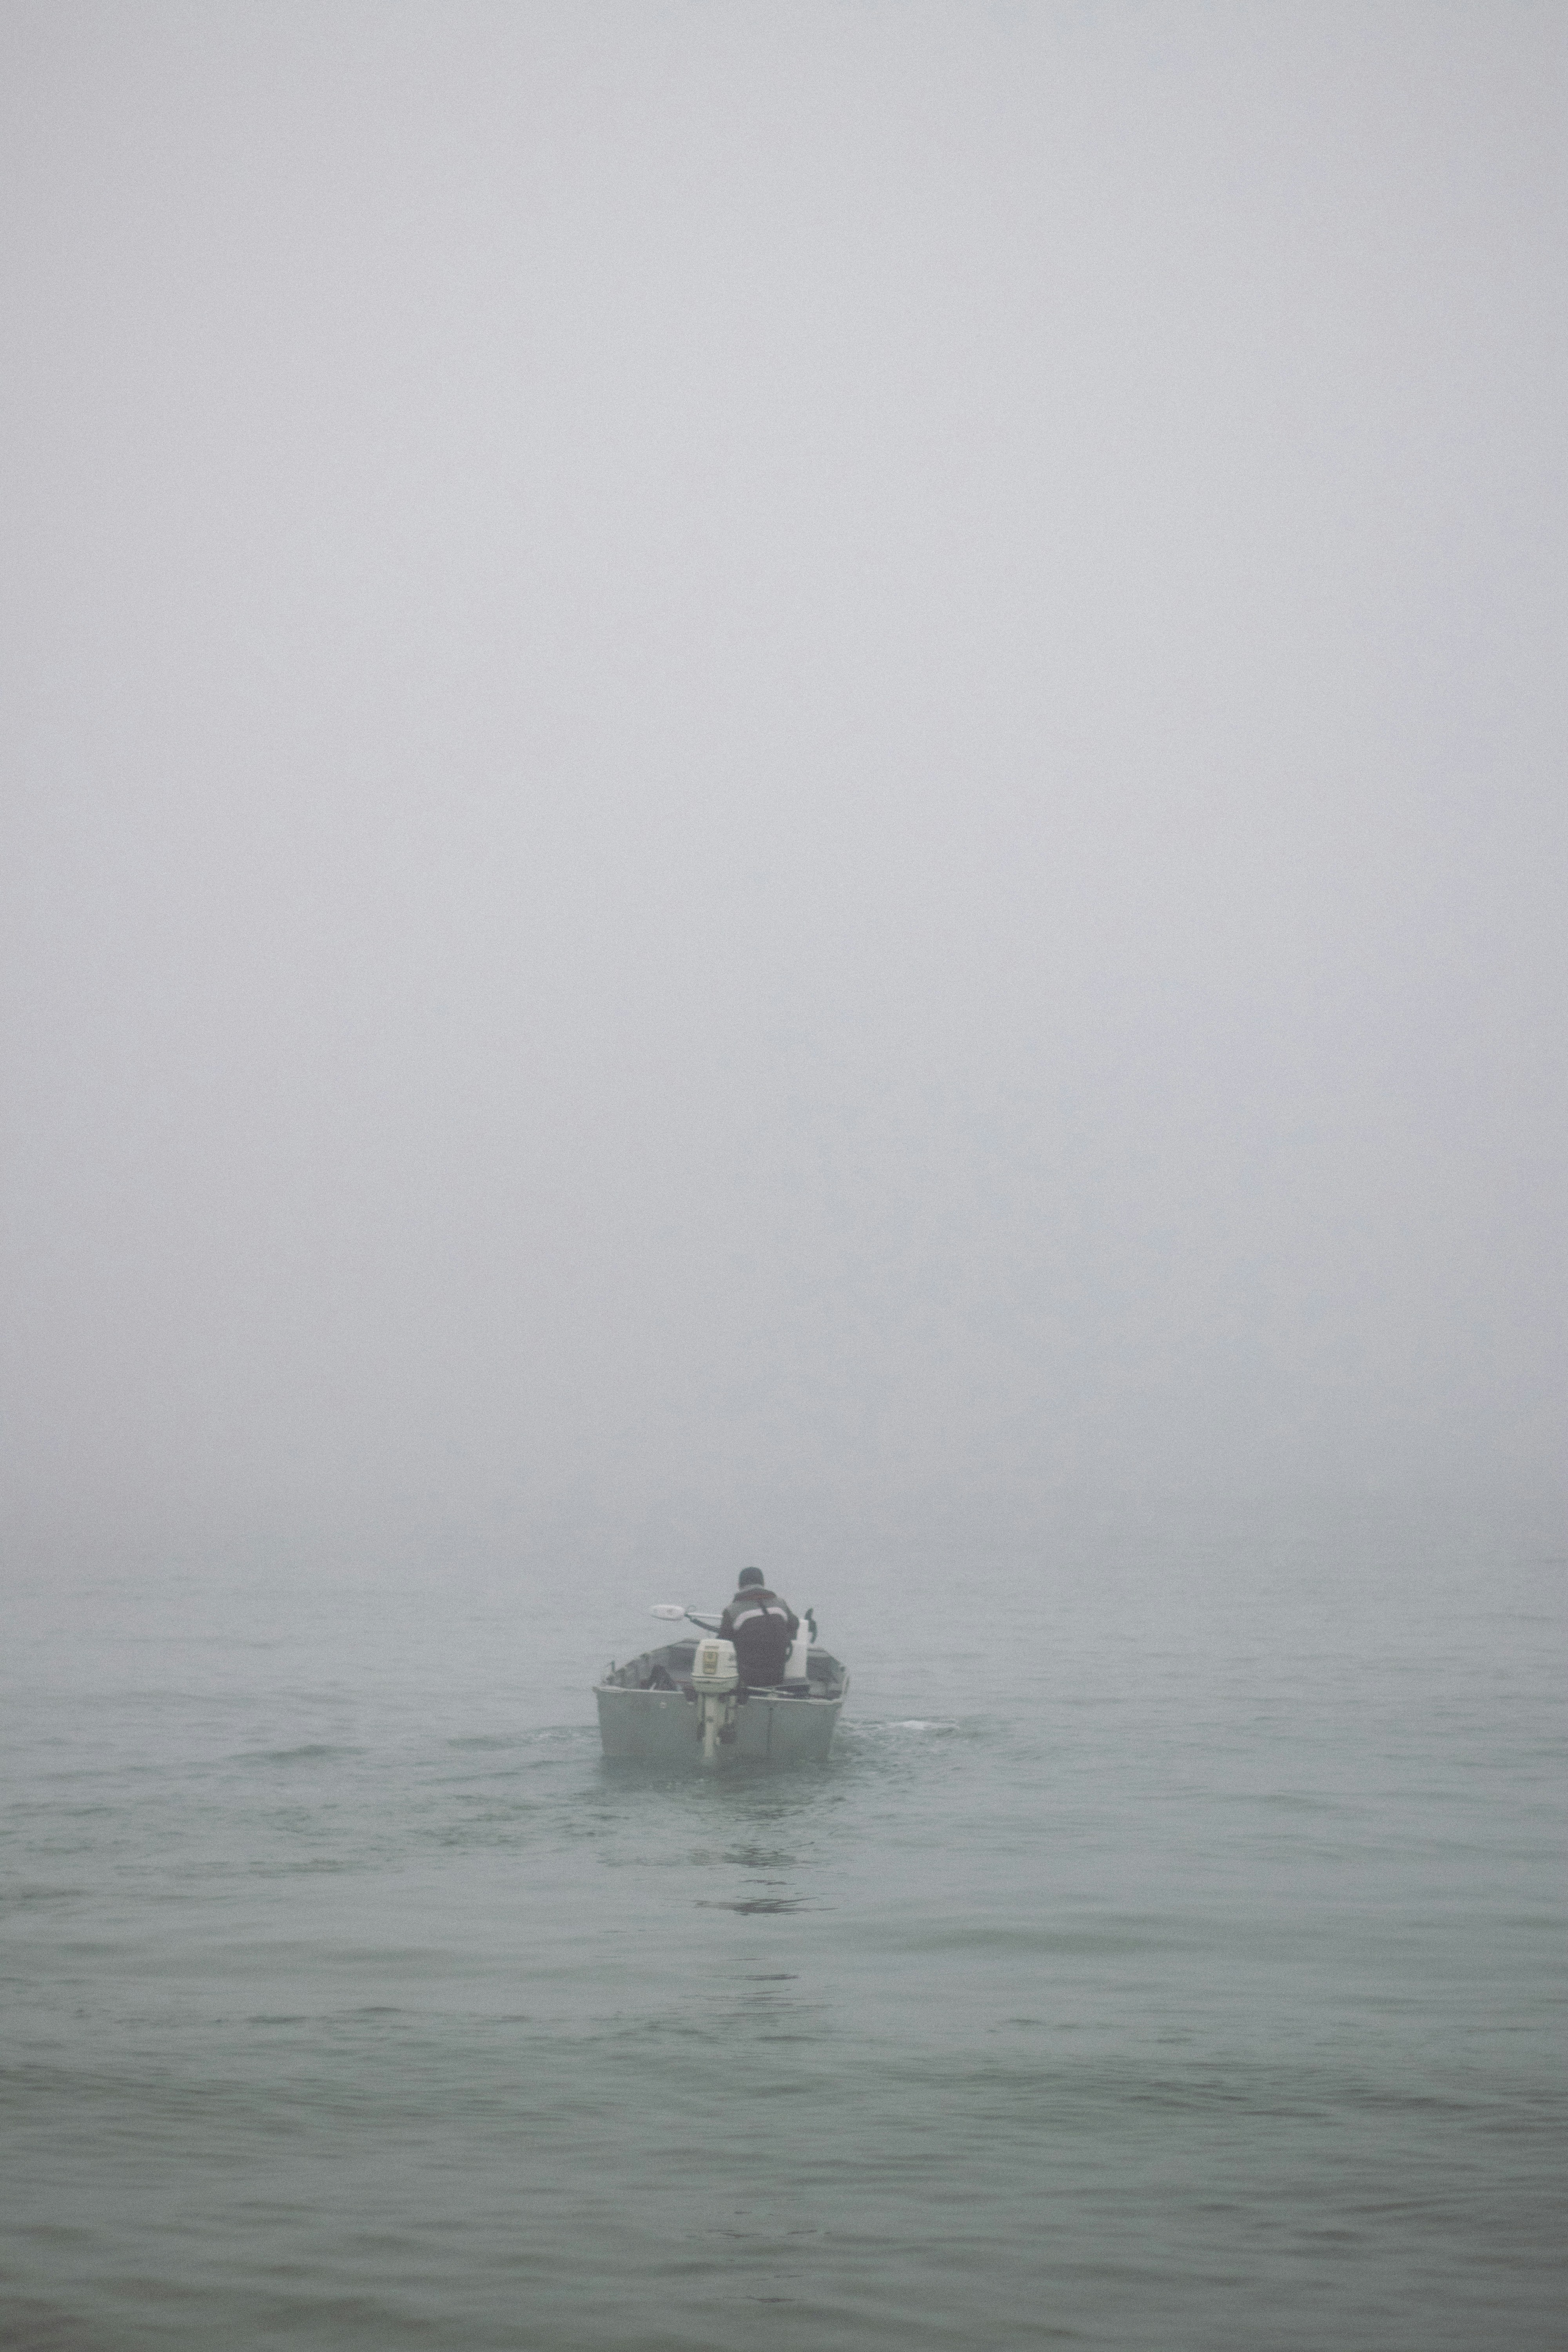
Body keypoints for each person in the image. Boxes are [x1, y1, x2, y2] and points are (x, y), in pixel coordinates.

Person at [719, 1567, 800, 1689]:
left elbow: (722, 1642)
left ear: (739, 1585)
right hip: (777, 1676)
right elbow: (794, 1625)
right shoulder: (781, 1604)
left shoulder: (732, 1611)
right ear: (764, 1584)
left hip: (747, 1679)